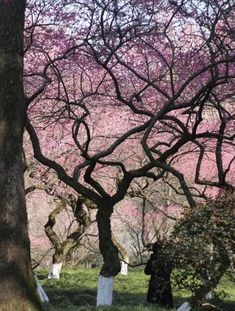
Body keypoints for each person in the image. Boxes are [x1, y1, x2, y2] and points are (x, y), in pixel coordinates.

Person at [144, 241, 174, 309]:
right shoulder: (167, 259)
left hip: (154, 284)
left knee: (153, 304)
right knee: (166, 302)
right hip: (166, 284)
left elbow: (147, 271)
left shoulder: (152, 259)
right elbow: (170, 271)